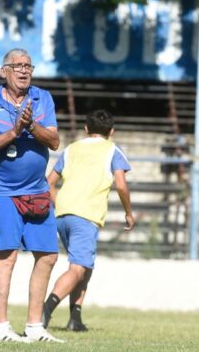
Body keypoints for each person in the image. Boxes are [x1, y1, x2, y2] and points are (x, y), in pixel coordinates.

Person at [0, 48, 63, 343]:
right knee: (7, 257)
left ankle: (35, 327)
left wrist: (32, 125)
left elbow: (55, 141)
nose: (24, 71)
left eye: (28, 66)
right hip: (2, 192)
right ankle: (1, 329)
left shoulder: (42, 98)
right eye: (17, 66)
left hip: (37, 191)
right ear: (4, 71)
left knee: (48, 256)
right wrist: (14, 132)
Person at [41, 110, 136, 332]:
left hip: (62, 215)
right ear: (111, 132)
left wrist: (62, 204)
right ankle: (44, 311)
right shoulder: (112, 150)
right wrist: (129, 213)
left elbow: (48, 183)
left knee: (85, 266)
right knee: (77, 268)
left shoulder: (71, 149)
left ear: (86, 129)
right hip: (86, 217)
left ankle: (75, 318)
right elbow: (121, 185)